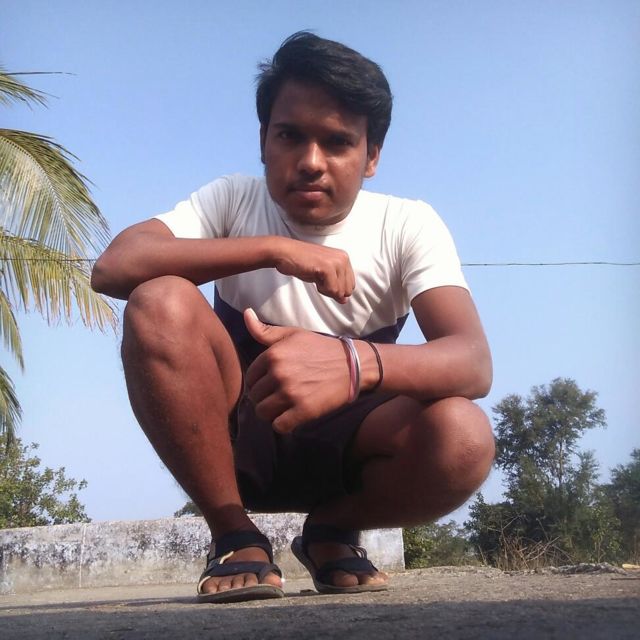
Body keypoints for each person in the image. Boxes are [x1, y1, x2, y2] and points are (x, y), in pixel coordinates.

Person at [91, 31, 495, 604]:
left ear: (371, 156)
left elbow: (472, 361)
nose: (310, 162)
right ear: (263, 140)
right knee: (158, 300)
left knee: (464, 436)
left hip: (354, 448)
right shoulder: (234, 200)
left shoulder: (408, 224)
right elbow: (113, 268)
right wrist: (274, 250)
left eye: (338, 142)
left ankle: (332, 529)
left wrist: (349, 363)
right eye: (290, 136)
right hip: (235, 441)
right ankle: (233, 533)